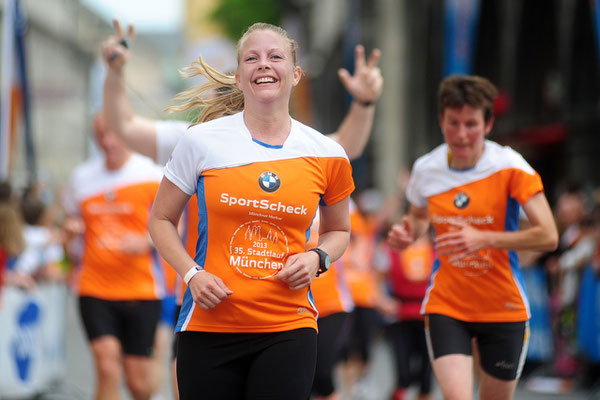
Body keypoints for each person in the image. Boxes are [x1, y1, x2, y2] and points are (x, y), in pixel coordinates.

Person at [102, 19, 382, 400]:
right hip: (209, 322)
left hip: (289, 325)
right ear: (238, 77)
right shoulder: (196, 141)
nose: (264, 64)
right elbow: (160, 215)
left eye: (275, 56)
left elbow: (339, 229)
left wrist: (318, 257)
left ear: (296, 74)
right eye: (252, 58)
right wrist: (191, 274)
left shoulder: (322, 152)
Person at [387, 75, 559, 400]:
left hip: (503, 306)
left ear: (489, 123)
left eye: (471, 124)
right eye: (453, 123)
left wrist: (486, 239)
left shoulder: (510, 167)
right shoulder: (427, 169)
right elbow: (419, 217)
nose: (462, 135)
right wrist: (407, 232)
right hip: (447, 304)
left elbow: (549, 235)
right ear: (441, 121)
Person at [63, 114, 165, 400]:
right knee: (107, 366)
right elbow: (69, 220)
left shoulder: (151, 174)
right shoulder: (82, 177)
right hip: (94, 286)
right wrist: (71, 230)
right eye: (100, 135)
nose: (106, 142)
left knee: (139, 384)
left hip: (141, 289)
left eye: (112, 134)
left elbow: (174, 225)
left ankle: (149, 376)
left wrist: (146, 241)